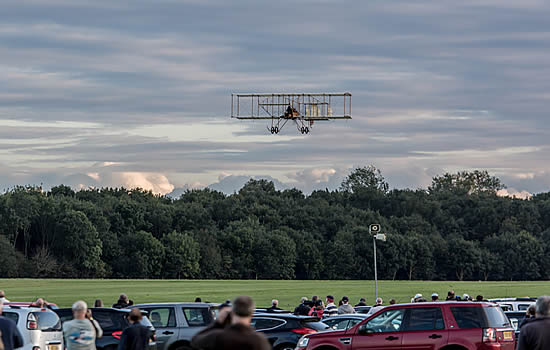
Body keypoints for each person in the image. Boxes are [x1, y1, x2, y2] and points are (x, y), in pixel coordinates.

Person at [192, 296, 270, 350]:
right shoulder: (259, 340)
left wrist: (218, 322)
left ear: (232, 312)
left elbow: (195, 341)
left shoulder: (218, 337)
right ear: (252, 313)